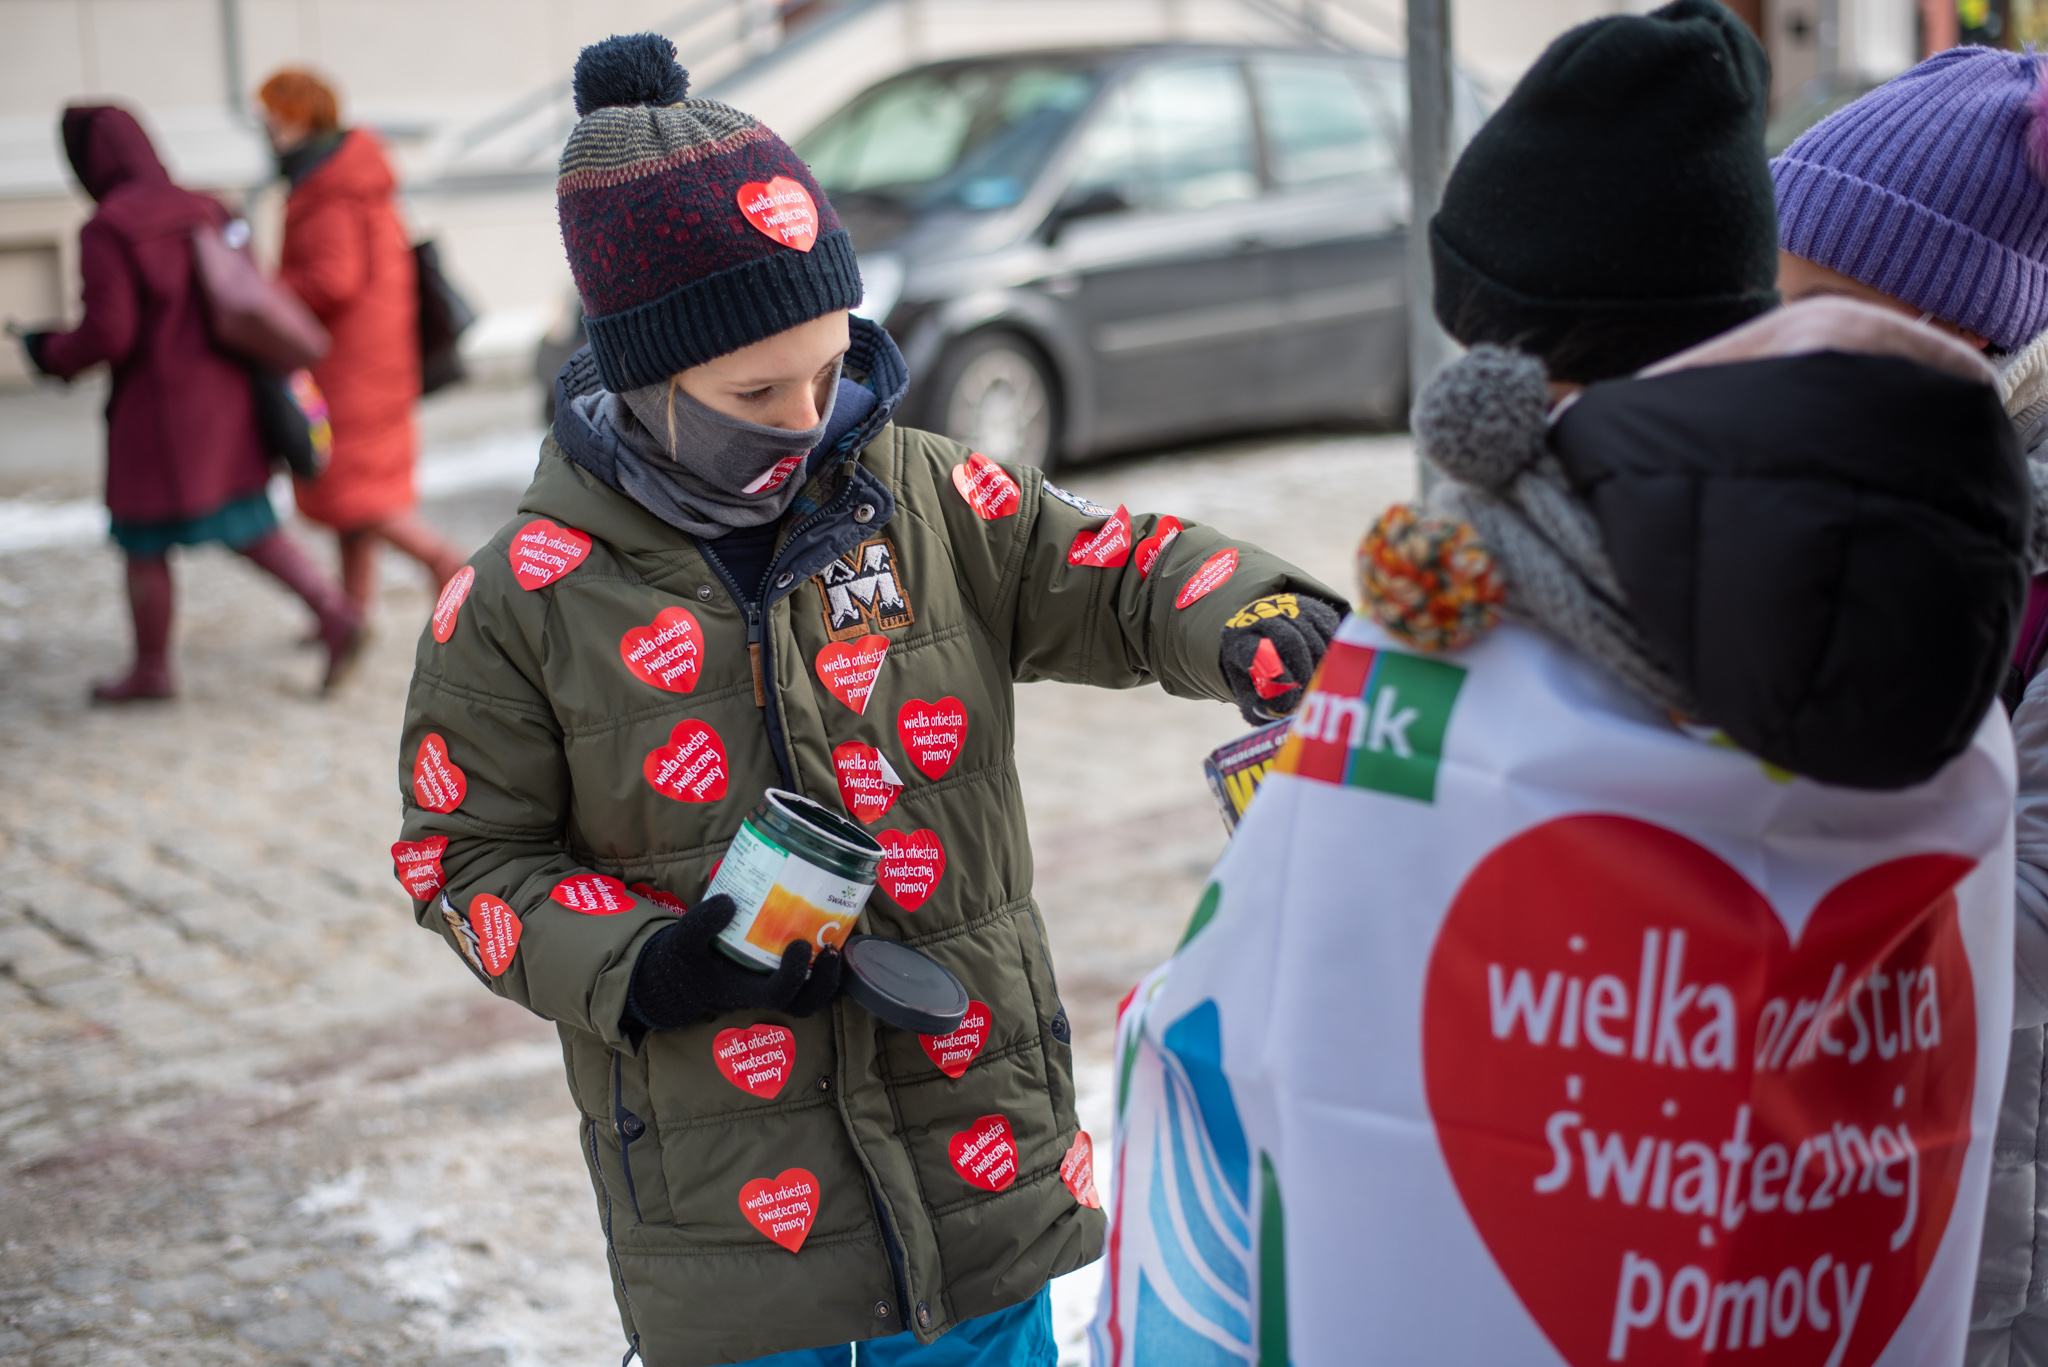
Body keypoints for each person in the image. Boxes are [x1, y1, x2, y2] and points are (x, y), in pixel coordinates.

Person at [391, 33, 1342, 1367]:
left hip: (980, 1171)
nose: (803, 415)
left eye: (829, 369)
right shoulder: (522, 599)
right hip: (737, 1233)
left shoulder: (921, 493)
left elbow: (1116, 573)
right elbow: (461, 853)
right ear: (642, 378)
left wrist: (1246, 610)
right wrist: (650, 965)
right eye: (751, 392)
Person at [1773, 46, 2048, 1364]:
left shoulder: (2009, 558)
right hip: (1859, 1190)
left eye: (1812, 317)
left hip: (2002, 1227)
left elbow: (2025, 908)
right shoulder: (1850, 510)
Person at [18, 104, 362, 700]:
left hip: (158, 415)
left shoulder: (109, 227)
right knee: (252, 525)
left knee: (141, 540)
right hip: (229, 400)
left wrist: (48, 350)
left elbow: (109, 332)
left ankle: (152, 669)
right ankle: (336, 612)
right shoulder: (208, 206)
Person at [257, 68, 465, 618]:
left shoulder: (329, 187)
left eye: (274, 117)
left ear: (300, 117)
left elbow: (332, 277)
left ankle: (444, 562)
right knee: (352, 493)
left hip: (350, 365)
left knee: (355, 494)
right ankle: (352, 612)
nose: (267, 129)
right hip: (370, 356)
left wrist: (263, 290)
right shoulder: (346, 172)